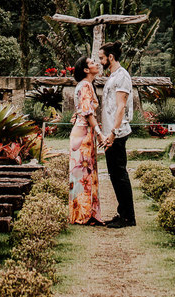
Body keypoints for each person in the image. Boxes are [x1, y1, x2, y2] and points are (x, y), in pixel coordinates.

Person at [98, 40, 135, 227]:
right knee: (114, 174)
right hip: (110, 133)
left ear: (110, 57)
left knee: (120, 174)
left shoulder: (122, 76)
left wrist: (113, 132)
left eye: (102, 58)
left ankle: (128, 218)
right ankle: (123, 213)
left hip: (117, 134)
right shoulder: (113, 76)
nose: (100, 62)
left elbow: (121, 107)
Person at [68, 54, 105, 225]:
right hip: (83, 134)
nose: (96, 64)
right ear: (85, 69)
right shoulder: (85, 85)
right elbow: (88, 112)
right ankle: (83, 214)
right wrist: (99, 133)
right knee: (83, 173)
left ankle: (86, 213)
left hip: (83, 132)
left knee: (85, 172)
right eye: (92, 63)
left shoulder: (86, 85)